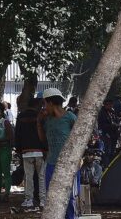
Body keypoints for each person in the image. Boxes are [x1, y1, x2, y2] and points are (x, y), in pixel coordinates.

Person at [38, 88, 79, 219]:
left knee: (71, 198)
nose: (44, 107)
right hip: (51, 164)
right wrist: (39, 122)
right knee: (52, 197)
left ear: (50, 103)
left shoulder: (70, 118)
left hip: (69, 166)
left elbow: (80, 139)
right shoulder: (48, 120)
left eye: (44, 104)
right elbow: (43, 139)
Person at [16, 97, 45, 208]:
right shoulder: (40, 116)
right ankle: (43, 200)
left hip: (26, 151)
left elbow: (17, 134)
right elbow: (43, 132)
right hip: (39, 151)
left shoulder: (21, 116)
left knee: (28, 177)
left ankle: (29, 200)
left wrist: (18, 150)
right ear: (37, 105)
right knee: (41, 177)